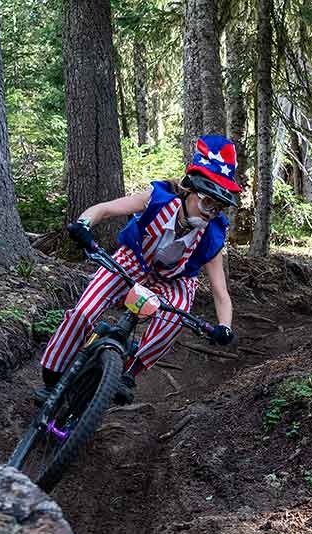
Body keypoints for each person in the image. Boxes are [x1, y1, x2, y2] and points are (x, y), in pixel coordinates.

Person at [39, 134, 241, 404]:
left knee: (174, 318)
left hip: (176, 279)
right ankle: (52, 374)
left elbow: (220, 290)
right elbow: (106, 209)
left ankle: (127, 373)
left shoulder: (212, 234)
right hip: (133, 259)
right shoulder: (158, 199)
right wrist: (83, 224)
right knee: (83, 312)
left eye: (218, 208)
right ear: (190, 189)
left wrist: (224, 327)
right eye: (207, 203)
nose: (210, 213)